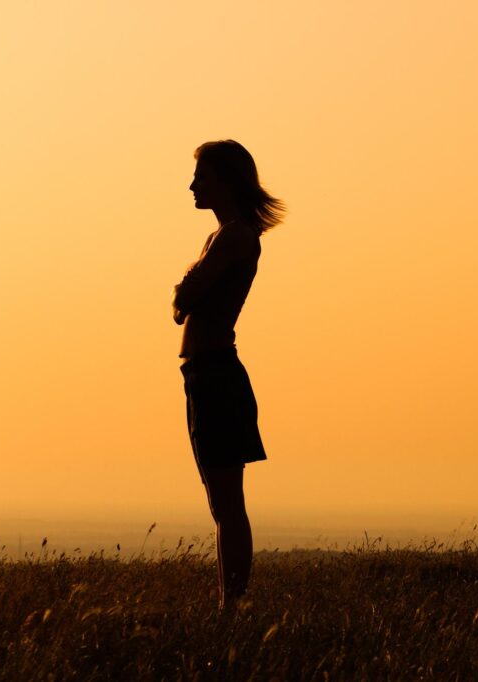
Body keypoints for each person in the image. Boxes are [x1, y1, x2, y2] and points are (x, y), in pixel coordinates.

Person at [173, 140, 284, 608]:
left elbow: (186, 296)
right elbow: (187, 299)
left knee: (227, 505)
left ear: (225, 180)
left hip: (216, 374)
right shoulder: (221, 237)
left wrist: (183, 289)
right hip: (205, 373)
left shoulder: (234, 236)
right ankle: (228, 605)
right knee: (221, 504)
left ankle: (231, 607)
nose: (193, 185)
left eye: (202, 176)